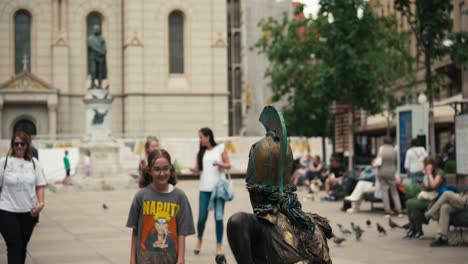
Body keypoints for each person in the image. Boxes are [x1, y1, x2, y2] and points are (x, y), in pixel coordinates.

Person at [127, 149, 195, 264]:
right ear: (149, 170)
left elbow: (182, 233)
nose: (162, 173)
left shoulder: (180, 197)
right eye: (157, 169)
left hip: (171, 259)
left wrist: (181, 259)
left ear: (171, 169)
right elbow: (135, 231)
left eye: (165, 169)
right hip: (145, 259)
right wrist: (132, 260)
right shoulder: (141, 196)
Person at [0, 131, 47, 264]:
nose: (19, 146)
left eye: (22, 143)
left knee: (22, 246)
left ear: (27, 145)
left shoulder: (34, 163)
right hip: (6, 210)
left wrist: (41, 203)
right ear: (12, 145)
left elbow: (40, 184)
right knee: (14, 245)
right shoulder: (4, 162)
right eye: (16, 144)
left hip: (29, 212)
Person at [190, 127, 231, 262]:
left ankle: (219, 245)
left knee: (218, 217)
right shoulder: (200, 152)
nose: (200, 140)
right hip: (204, 189)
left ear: (208, 137)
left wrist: (220, 164)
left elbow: (228, 164)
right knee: (202, 218)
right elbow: (197, 170)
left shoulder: (220, 148)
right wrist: (193, 170)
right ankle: (199, 239)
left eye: (201, 137)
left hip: (218, 189)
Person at [404, 157, 445, 239]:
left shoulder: (439, 172)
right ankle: (414, 228)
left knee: (412, 204)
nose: (425, 167)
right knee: (409, 203)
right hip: (430, 197)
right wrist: (423, 186)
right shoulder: (429, 173)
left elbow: (434, 185)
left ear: (432, 165)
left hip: (437, 200)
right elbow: (429, 188)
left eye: (426, 165)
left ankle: (418, 230)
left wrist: (429, 174)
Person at [424, 176, 468, 247]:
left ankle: (431, 212)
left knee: (446, 194)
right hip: (462, 201)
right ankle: (442, 237)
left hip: (465, 202)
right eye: (465, 180)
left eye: (466, 180)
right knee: (445, 207)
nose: (465, 182)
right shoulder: (465, 188)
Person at [377, 137, 403, 217]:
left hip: (382, 171)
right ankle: (399, 210)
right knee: (394, 191)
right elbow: (397, 161)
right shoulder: (394, 150)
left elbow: (379, 161)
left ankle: (387, 210)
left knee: (384, 191)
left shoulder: (381, 149)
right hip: (392, 172)